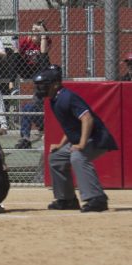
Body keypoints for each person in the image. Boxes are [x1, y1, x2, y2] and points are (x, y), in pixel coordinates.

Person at [33, 65, 118, 212]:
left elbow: (87, 119)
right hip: (85, 138)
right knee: (56, 157)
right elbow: (72, 127)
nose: (40, 88)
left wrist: (81, 144)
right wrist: (60, 145)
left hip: (98, 139)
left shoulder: (67, 97)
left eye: (44, 85)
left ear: (55, 84)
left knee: (78, 156)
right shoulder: (54, 100)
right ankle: (67, 200)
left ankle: (97, 199)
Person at [11, 20, 52, 149]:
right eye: (33, 29)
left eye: (37, 30)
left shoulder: (46, 40)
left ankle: (25, 138)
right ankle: (28, 135)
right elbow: (17, 56)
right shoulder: (25, 40)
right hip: (27, 70)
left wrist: (43, 36)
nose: (34, 32)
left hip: (40, 71)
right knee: (15, 55)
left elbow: (44, 52)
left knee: (43, 56)